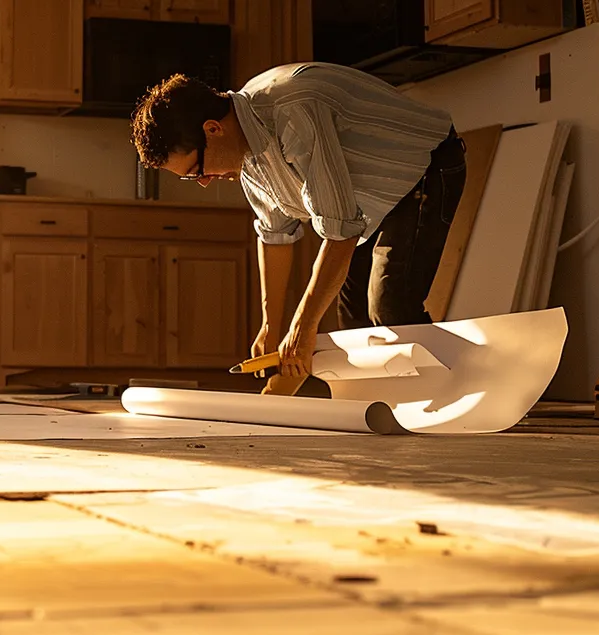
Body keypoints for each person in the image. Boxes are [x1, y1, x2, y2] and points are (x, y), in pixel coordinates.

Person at [131, 63, 465, 391]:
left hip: (426, 167)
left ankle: (457, 390)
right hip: (366, 197)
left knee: (390, 307)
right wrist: (272, 327)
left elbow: (340, 231)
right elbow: (275, 237)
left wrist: (302, 328)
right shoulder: (247, 153)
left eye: (196, 170)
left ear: (213, 130)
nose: (203, 182)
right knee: (352, 317)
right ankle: (384, 405)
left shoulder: (293, 112)